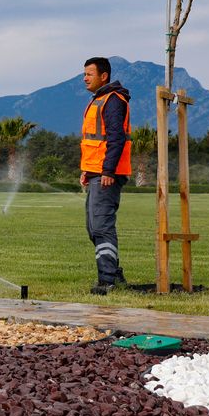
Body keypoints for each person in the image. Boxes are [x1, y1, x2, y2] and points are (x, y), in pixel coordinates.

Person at [79, 56, 131, 295]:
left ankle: (107, 279)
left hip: (107, 174)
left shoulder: (113, 100)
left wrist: (108, 170)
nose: (85, 78)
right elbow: (94, 142)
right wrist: (87, 171)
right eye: (84, 74)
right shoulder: (98, 100)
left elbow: (116, 138)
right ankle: (114, 272)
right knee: (93, 227)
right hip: (96, 173)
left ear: (104, 76)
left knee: (101, 226)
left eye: (89, 74)